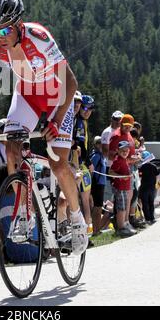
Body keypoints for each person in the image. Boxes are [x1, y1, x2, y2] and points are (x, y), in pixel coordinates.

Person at [0, 0, 88, 256]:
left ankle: (76, 219)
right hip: (27, 95)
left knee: (60, 165)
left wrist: (58, 119)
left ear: (18, 24)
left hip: (58, 97)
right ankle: (24, 215)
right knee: (12, 148)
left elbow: (71, 83)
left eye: (5, 31)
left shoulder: (39, 37)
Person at [73, 94, 95, 235]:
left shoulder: (82, 121)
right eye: (84, 108)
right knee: (85, 203)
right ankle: (86, 234)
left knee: (81, 202)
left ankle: (85, 232)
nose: (87, 111)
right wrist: (89, 162)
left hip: (79, 165)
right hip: (81, 166)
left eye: (90, 108)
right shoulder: (80, 122)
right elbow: (81, 144)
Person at [109, 141, 136, 237]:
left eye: (127, 150)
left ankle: (123, 225)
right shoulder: (118, 160)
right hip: (119, 188)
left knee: (124, 207)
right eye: (123, 150)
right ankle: (121, 229)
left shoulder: (123, 159)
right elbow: (110, 172)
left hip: (124, 188)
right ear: (118, 150)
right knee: (121, 208)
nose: (125, 152)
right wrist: (121, 176)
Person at [101, 110, 123, 202]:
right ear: (112, 119)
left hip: (119, 166)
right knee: (109, 195)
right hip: (109, 166)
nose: (118, 121)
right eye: (115, 119)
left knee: (119, 193)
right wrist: (118, 155)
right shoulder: (107, 132)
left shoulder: (122, 131)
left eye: (120, 119)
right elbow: (105, 152)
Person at [90, 136, 106, 234]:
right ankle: (96, 230)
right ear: (95, 144)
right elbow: (91, 170)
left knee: (99, 207)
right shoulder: (96, 156)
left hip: (101, 184)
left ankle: (97, 229)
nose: (101, 144)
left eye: (102, 142)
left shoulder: (101, 156)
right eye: (98, 142)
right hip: (97, 184)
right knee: (97, 208)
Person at [138, 151, 160, 224]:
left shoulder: (141, 167)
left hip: (144, 188)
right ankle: (152, 218)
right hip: (152, 188)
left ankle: (147, 219)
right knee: (151, 203)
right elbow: (157, 176)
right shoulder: (154, 166)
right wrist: (156, 185)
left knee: (145, 203)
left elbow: (140, 177)